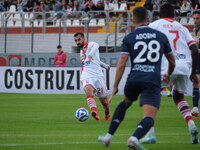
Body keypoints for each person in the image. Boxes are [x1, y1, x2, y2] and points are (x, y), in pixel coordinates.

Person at [98, 6, 175, 150]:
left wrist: (115, 86)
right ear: (148, 19)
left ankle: (108, 136)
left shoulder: (129, 38)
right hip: (152, 80)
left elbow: (121, 64)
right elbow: (172, 62)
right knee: (149, 116)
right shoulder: (160, 36)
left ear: (132, 20)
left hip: (134, 79)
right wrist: (168, 75)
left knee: (125, 103)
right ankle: (134, 138)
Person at [140, 3, 199, 144]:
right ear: (174, 14)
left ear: (160, 14)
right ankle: (192, 125)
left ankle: (150, 133)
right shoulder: (182, 28)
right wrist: (192, 72)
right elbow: (195, 50)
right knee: (178, 96)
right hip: (184, 66)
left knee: (148, 94)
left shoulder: (155, 25)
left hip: (166, 66)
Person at [74, 32, 111, 121]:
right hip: (86, 74)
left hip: (98, 75)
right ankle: (94, 111)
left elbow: (97, 46)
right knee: (88, 89)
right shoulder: (81, 51)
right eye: (76, 41)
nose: (77, 42)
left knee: (104, 102)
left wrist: (105, 66)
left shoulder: (90, 45)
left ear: (84, 38)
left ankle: (107, 114)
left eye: (79, 39)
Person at [191, 10, 200, 117]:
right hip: (197, 60)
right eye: (194, 18)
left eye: (197, 18)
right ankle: (195, 108)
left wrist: (195, 50)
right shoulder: (194, 31)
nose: (195, 20)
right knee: (196, 82)